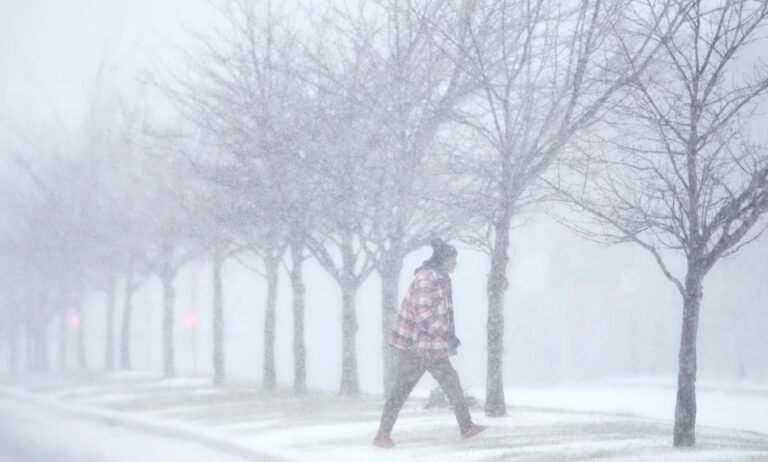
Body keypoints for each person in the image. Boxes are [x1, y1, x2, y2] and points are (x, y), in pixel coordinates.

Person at [373, 239, 488, 448]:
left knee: (451, 382)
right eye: (453, 259)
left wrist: (449, 335)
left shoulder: (442, 278)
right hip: (416, 347)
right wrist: (446, 333)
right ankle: (382, 435)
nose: (456, 264)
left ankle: (467, 427)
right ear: (443, 259)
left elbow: (444, 313)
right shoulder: (426, 278)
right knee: (401, 390)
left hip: (432, 346)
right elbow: (423, 315)